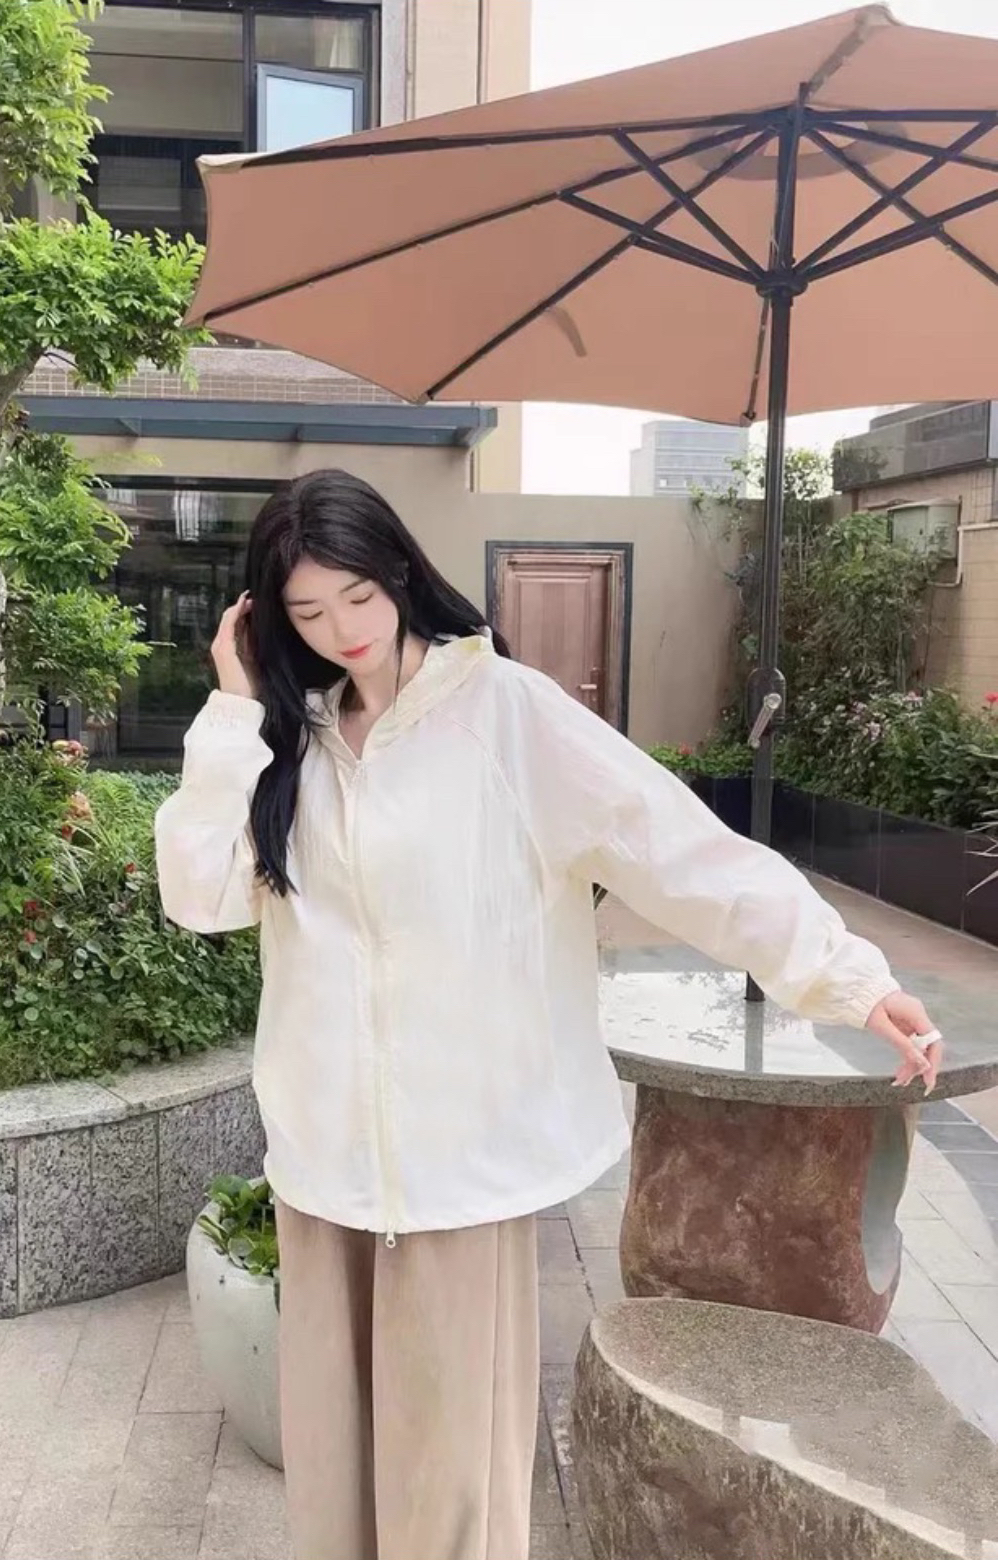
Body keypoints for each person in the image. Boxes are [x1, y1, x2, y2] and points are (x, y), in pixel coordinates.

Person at [154, 468, 941, 1560]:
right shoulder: (292, 742)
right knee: (335, 1485)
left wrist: (850, 978)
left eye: (358, 597)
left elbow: (681, 852)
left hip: (462, 1172)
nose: (342, 631)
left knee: (453, 1494)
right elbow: (199, 894)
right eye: (308, 612)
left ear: (399, 574)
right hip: (324, 1166)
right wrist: (235, 707)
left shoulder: (508, 717)